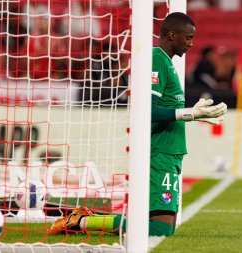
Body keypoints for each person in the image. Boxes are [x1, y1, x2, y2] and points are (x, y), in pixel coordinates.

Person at [48, 12, 227, 237]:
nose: (191, 44)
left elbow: (167, 109)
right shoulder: (156, 59)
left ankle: (85, 218)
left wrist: (194, 115)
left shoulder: (167, 63)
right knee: (160, 228)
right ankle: (83, 221)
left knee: (163, 225)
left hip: (170, 151)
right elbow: (147, 109)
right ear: (172, 35)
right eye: (188, 38)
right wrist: (187, 114)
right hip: (160, 151)